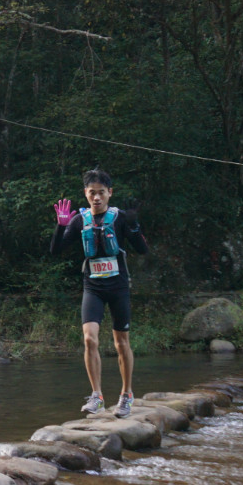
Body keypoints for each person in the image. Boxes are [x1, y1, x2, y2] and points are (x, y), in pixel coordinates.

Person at [50, 168, 149, 417]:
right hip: (92, 285)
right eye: (92, 193)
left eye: (101, 193)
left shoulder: (120, 218)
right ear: (85, 193)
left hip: (118, 286)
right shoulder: (79, 220)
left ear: (109, 193)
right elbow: (55, 251)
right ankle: (97, 396)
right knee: (89, 339)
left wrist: (134, 225)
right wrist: (60, 227)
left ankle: (126, 395)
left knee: (120, 342)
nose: (96, 198)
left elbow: (142, 250)